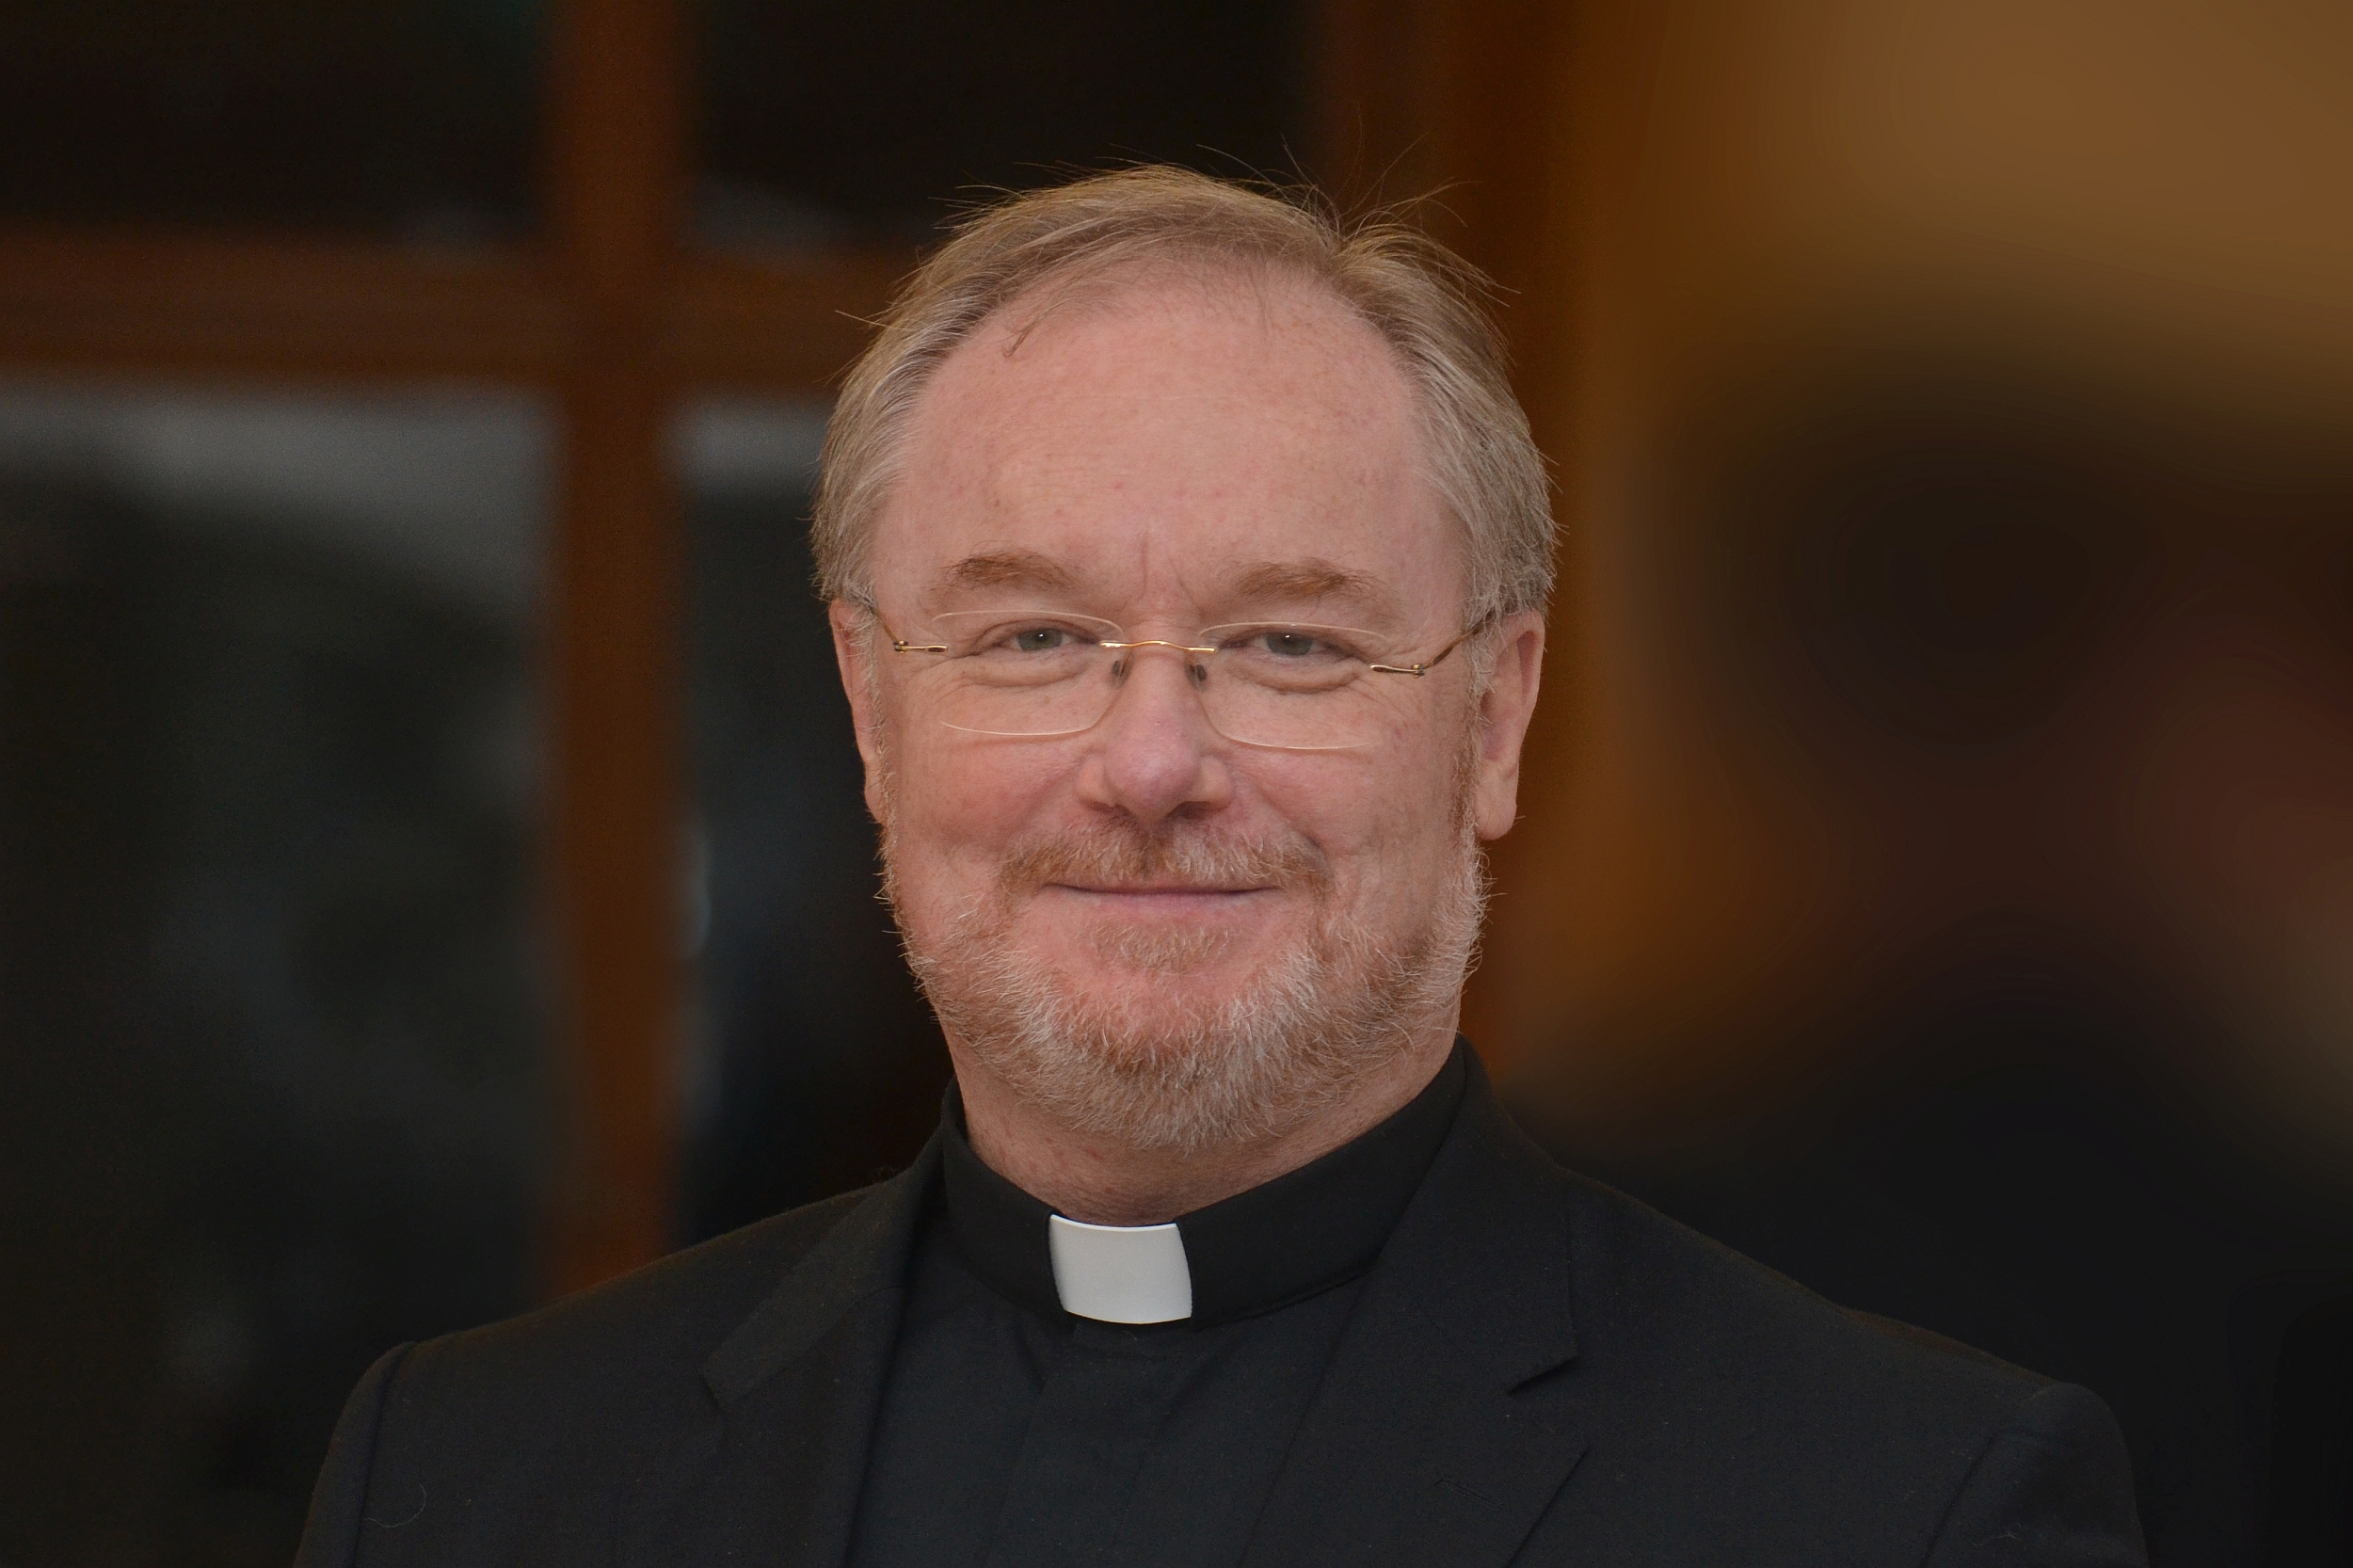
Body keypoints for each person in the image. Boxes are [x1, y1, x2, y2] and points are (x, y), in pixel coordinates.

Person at [295, 168, 2146, 1567]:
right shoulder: (471, 1478)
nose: (1152, 764)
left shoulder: (1903, 1505)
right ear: (872, 709)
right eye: (1032, 637)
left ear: (1494, 718)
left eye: (1290, 643)